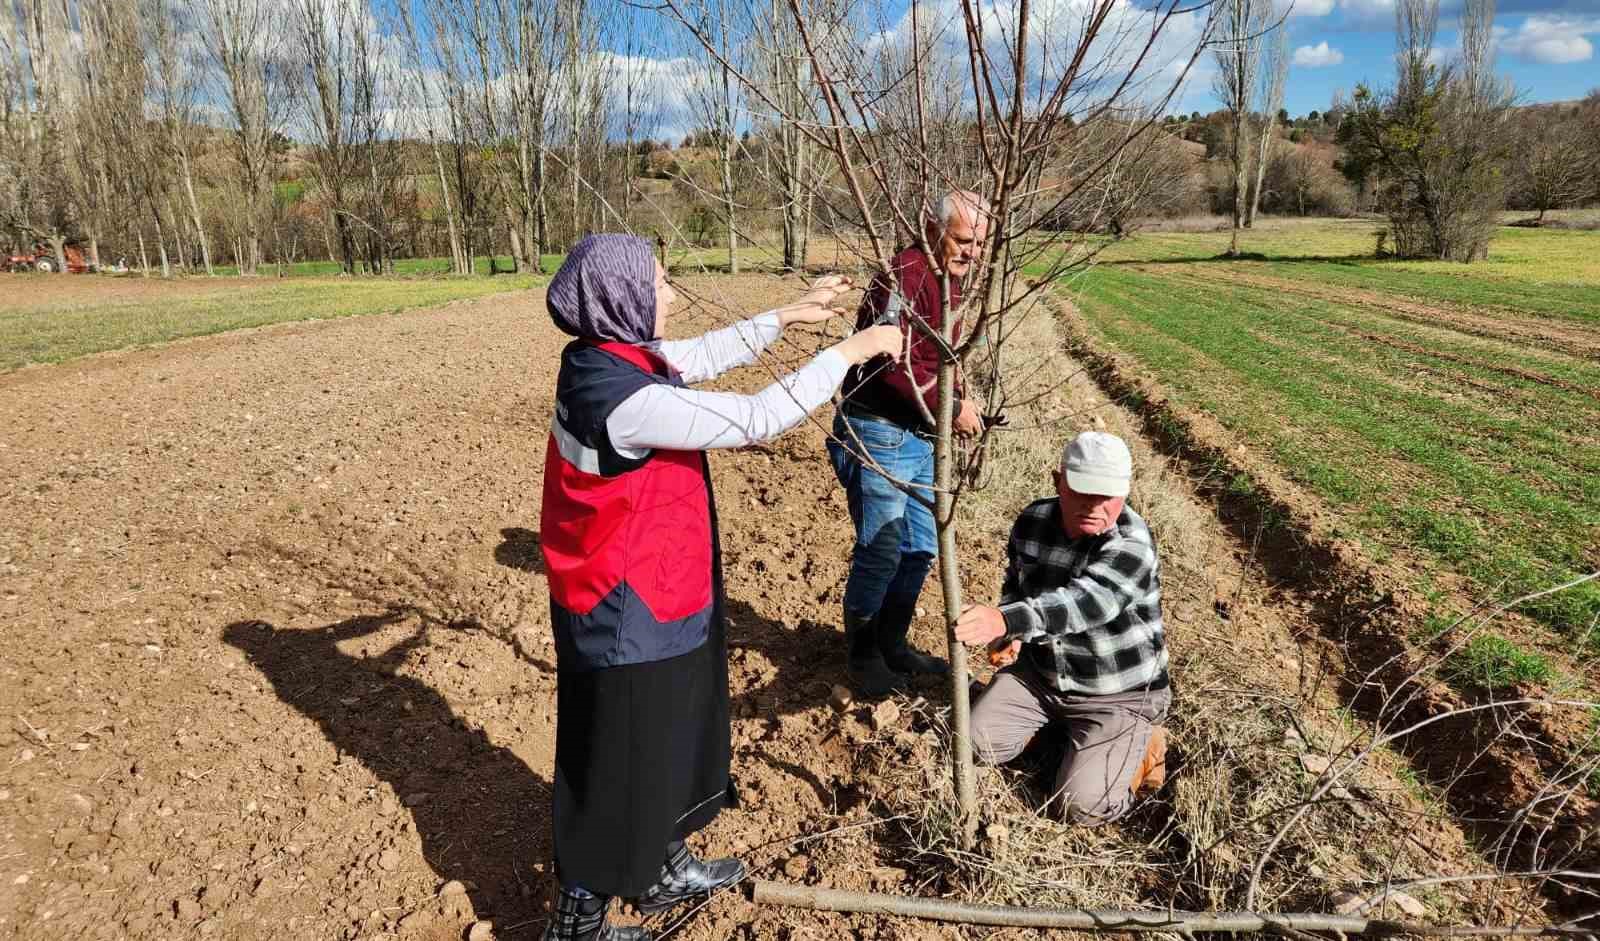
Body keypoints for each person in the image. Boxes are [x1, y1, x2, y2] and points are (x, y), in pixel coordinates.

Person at [538, 234, 899, 941]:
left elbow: (695, 356)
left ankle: (661, 865)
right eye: (660, 282)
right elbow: (754, 417)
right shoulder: (621, 398)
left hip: (658, 588)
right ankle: (576, 922)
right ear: (623, 299)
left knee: (669, 736)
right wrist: (848, 354)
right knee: (616, 761)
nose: (670, 293)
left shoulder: (604, 356)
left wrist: (785, 317)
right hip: (622, 610)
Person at [954, 431, 1171, 826]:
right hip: (1042, 677)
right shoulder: (1033, 520)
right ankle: (1064, 739)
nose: (1095, 506)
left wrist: (1005, 620)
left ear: (1124, 493)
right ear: (1058, 482)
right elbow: (1016, 584)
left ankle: (1143, 748)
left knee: (1080, 806)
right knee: (969, 745)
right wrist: (1012, 634)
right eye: (1083, 492)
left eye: (1107, 496)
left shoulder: (1131, 543)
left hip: (1118, 694)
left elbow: (1087, 603)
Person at [827, 191, 990, 696]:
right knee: (882, 548)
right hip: (880, 428)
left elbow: (936, 359)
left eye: (981, 243)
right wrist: (951, 403)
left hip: (919, 432)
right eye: (963, 241)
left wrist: (959, 396)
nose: (972, 253)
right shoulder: (904, 275)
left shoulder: (948, 282)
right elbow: (888, 362)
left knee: (919, 547)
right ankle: (862, 654)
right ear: (932, 229)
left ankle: (893, 643)